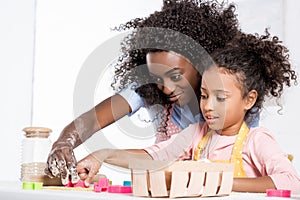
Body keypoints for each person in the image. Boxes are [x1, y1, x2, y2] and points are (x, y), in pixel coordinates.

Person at [45, 0, 253, 184]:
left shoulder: (234, 100)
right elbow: (91, 121)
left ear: (201, 63)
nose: (166, 88)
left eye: (175, 75)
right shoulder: (149, 90)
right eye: (157, 77)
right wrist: (64, 142)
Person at [76, 31, 300, 194]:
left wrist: (219, 181)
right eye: (204, 96)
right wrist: (103, 154)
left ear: (249, 100)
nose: (209, 106)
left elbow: (292, 181)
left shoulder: (257, 140)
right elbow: (153, 156)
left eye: (220, 98)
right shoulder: (197, 134)